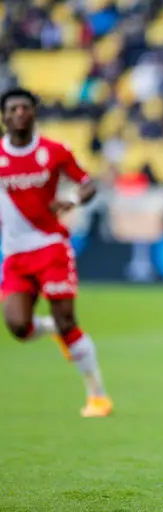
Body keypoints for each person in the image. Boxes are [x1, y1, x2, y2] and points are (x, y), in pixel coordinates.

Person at [0, 88, 112, 417]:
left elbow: (88, 183)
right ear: (4, 117)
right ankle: (51, 330)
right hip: (15, 256)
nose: (19, 113)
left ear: (35, 112)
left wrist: (73, 200)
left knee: (68, 320)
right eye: (12, 109)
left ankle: (98, 396)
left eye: (25, 107)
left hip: (51, 248)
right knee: (18, 327)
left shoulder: (54, 151)